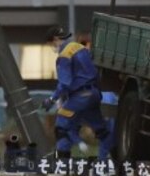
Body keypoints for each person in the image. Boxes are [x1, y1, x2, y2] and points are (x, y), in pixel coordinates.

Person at [41, 26, 114, 161]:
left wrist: (51, 99)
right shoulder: (81, 48)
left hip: (79, 96)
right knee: (102, 131)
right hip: (93, 95)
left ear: (56, 39)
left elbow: (65, 83)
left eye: (51, 44)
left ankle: (62, 164)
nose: (52, 47)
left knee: (61, 128)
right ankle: (106, 163)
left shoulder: (64, 55)